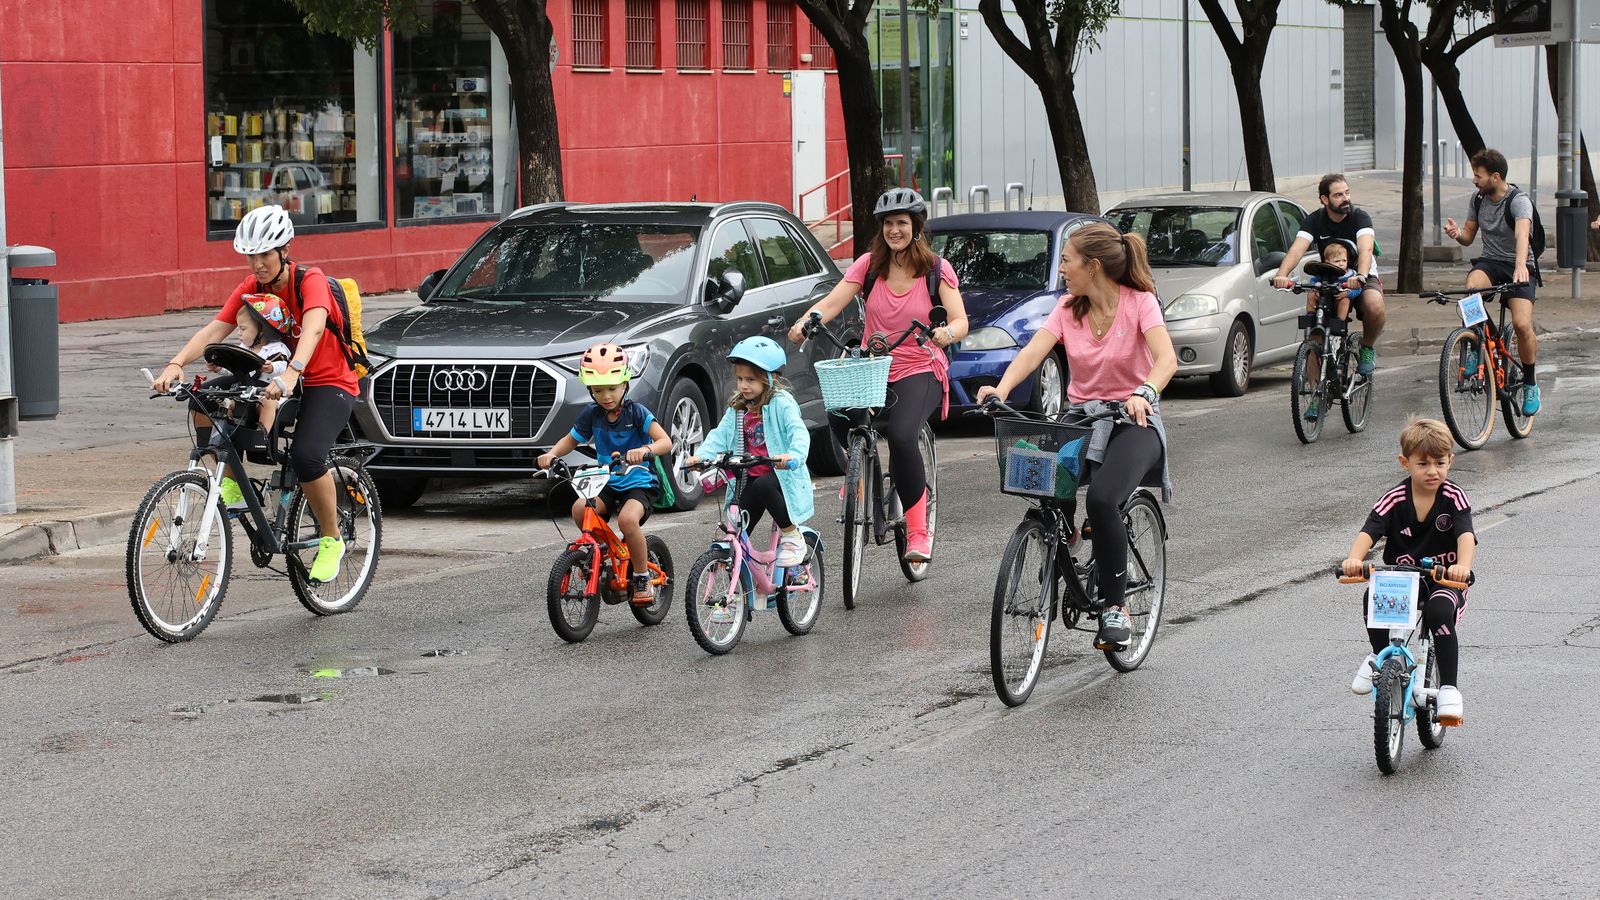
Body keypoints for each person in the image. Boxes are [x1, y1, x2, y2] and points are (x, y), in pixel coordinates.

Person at [976, 223, 1177, 651]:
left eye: (1067, 260)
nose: (1062, 267)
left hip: (1132, 421)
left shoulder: (1140, 304)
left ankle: (1115, 608)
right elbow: (1033, 352)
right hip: (1081, 419)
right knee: (1038, 471)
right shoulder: (1068, 308)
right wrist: (1003, 388)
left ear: (1094, 266)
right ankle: (1065, 534)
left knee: (1103, 499)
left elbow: (1166, 359)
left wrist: (1145, 392)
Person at [152, 205, 360, 585]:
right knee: (203, 402)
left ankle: (331, 540)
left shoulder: (308, 280)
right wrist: (176, 363)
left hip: (328, 380)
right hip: (274, 377)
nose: (258, 263)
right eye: (251, 255)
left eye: (265, 254)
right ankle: (230, 480)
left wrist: (295, 372)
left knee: (306, 456)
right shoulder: (252, 288)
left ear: (285, 249)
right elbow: (215, 329)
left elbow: (313, 328)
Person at [786, 188, 969, 563]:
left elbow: (960, 320)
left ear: (916, 227)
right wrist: (807, 321)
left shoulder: (936, 269)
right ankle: (860, 474)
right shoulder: (869, 266)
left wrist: (946, 333)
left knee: (902, 436)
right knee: (836, 409)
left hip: (920, 365)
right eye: (888, 223)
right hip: (875, 364)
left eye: (902, 223)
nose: (894, 230)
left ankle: (918, 531)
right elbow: (834, 302)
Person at [1341, 418, 1477, 726]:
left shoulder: (1454, 497)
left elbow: (1466, 535)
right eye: (1423, 463)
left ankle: (1448, 689)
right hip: (1402, 578)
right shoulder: (1395, 499)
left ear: (1450, 461)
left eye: (1440, 463)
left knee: (1440, 610)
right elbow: (1369, 531)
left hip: (1443, 578)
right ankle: (1379, 656)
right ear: (1405, 463)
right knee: (1372, 597)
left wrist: (1463, 568)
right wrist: (1353, 558)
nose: (1433, 471)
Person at [536, 342, 673, 605]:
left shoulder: (637, 413)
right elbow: (571, 440)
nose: (606, 396)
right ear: (590, 390)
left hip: (639, 481)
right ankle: (603, 549)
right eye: (598, 390)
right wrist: (552, 455)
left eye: (612, 388)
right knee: (580, 509)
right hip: (607, 481)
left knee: (628, 521)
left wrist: (644, 450)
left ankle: (642, 575)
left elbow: (665, 441)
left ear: (625, 384)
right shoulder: (591, 415)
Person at [1444, 148, 1542, 416]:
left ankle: (1531, 382)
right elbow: (1468, 236)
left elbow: (1523, 236)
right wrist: (1456, 234)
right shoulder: (1478, 199)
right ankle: (1479, 342)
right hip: (1491, 262)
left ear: (1495, 177)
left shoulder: (1519, 201)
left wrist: (1521, 266)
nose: (1474, 180)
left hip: (1520, 264)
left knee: (1522, 325)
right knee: (1470, 293)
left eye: (1478, 175)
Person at [1272, 174, 1387, 376]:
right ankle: (1315, 395)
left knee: (1374, 304)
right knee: (1314, 332)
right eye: (1338, 195)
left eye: (1347, 193)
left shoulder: (1360, 217)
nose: (1345, 198)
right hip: (1329, 278)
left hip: (1360, 275)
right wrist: (1282, 274)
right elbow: (1297, 250)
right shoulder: (1315, 220)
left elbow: (1366, 250)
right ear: (1325, 199)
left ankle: (1367, 346)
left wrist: (1360, 276)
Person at [1297, 239, 1363, 422]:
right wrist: (1315, 289)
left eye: (1344, 260)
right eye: (1337, 261)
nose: (1341, 264)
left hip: (1338, 309)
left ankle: (1338, 329)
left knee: (1345, 300)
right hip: (1322, 309)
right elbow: (1312, 283)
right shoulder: (1321, 275)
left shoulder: (1350, 274)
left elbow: (1358, 289)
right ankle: (1311, 320)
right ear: (1326, 262)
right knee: (1311, 294)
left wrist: (1349, 291)